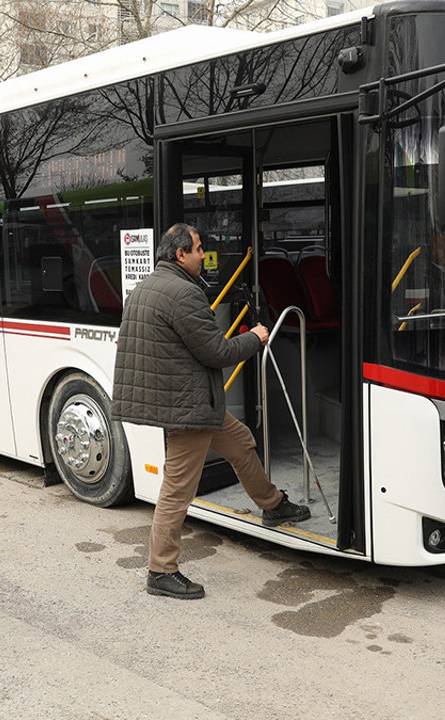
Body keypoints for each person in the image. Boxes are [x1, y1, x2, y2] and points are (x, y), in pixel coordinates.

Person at [112, 223, 311, 600]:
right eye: (200, 249)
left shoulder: (148, 286)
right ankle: (160, 569)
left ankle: (272, 505)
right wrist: (255, 337)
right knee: (177, 489)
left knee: (240, 442)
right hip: (188, 408)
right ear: (180, 255)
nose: (205, 255)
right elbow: (216, 352)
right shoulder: (183, 294)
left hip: (189, 401)